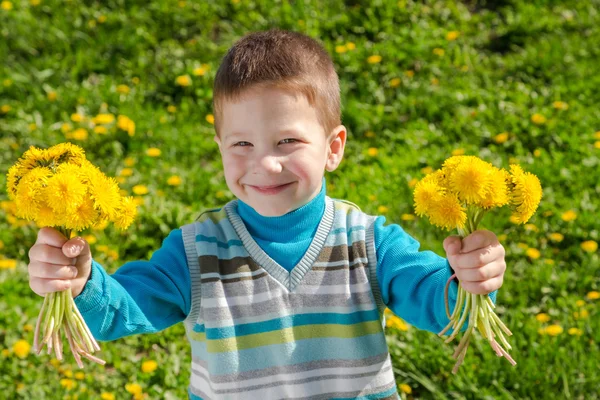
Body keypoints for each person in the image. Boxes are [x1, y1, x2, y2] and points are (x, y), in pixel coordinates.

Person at [28, 29, 506, 399]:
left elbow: (439, 303)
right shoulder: (196, 251)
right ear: (219, 147)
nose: (265, 163)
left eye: (288, 141)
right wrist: (80, 281)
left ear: (333, 147)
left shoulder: (369, 243)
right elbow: (121, 313)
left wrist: (467, 278)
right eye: (242, 144)